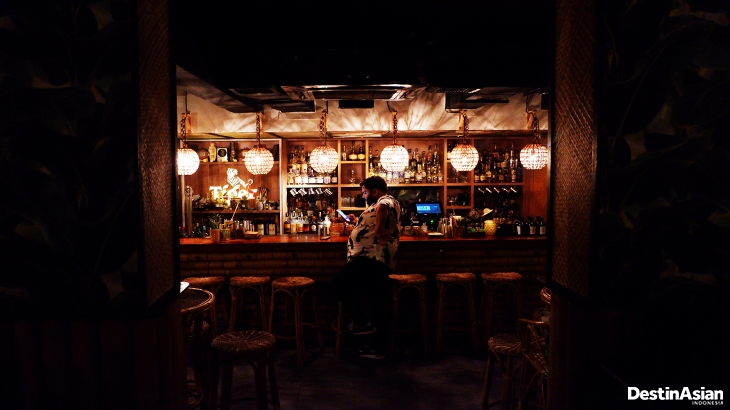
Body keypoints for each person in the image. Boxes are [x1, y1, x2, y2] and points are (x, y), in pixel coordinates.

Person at [331, 176, 401, 359]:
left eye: (364, 192)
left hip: (373, 258)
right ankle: (377, 347)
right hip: (370, 259)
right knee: (376, 301)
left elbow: (382, 208)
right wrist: (357, 223)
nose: (363, 196)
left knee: (338, 282)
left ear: (375, 191)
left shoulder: (386, 200)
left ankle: (361, 323)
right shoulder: (376, 205)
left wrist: (378, 230)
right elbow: (372, 222)